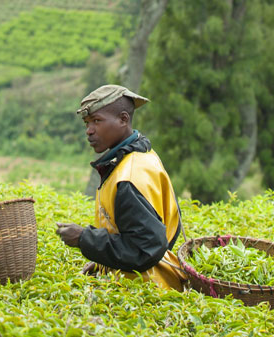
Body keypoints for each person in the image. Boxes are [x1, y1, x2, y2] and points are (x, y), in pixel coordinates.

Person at [54, 85, 186, 290]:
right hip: (148, 283)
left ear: (123, 119)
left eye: (97, 121)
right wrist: (104, 261)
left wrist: (84, 238)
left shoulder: (128, 178)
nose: (89, 130)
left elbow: (145, 248)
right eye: (87, 123)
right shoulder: (143, 155)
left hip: (147, 291)